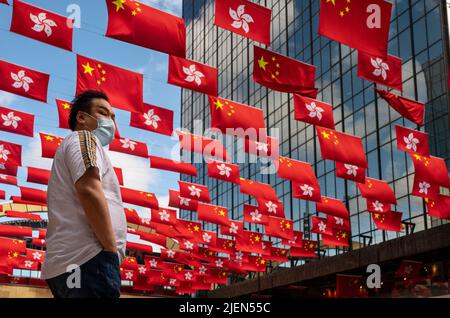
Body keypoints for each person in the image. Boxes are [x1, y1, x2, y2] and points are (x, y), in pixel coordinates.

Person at [41, 90, 127, 298]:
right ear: (81, 117)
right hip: (89, 259)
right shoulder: (85, 137)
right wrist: (109, 249)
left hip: (77, 262)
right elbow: (89, 189)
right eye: (104, 113)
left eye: (113, 117)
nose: (111, 121)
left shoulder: (77, 144)